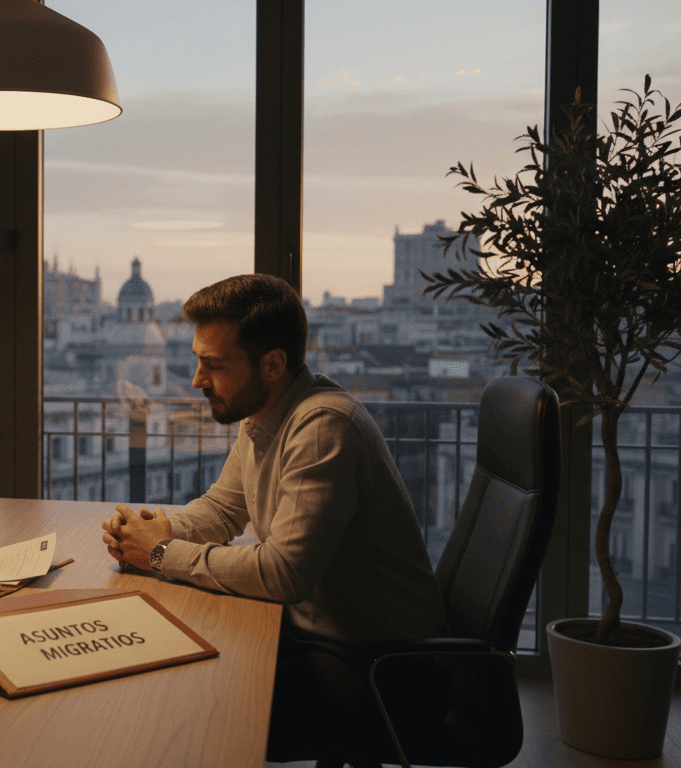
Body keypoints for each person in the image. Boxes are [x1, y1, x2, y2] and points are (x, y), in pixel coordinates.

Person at [101, 274, 447, 762]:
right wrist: (153, 532)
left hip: (378, 669)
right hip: (322, 638)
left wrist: (160, 553)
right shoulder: (265, 412)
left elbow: (283, 573)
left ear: (272, 364)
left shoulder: (324, 427)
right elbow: (223, 508)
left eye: (213, 365)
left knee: (185, 712)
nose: (198, 379)